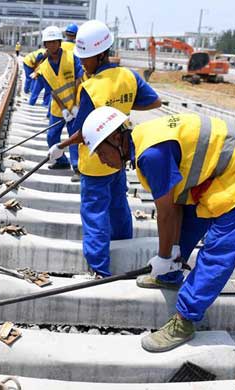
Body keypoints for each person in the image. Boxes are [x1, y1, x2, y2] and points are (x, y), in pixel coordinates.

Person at [82, 106, 235, 352]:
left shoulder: (151, 155)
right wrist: (168, 259)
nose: (101, 159)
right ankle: (171, 275)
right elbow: (176, 209)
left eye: (100, 151)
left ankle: (185, 320)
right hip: (216, 173)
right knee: (190, 219)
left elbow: (167, 213)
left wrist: (164, 256)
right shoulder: (143, 141)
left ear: (116, 138)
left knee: (219, 248)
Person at [50, 20, 161, 277]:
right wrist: (121, 111)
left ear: (100, 55)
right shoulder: (129, 76)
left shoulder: (91, 88)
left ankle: (100, 268)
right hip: (119, 157)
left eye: (85, 59)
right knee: (118, 205)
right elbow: (155, 102)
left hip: (95, 161)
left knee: (95, 213)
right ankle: (124, 250)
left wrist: (60, 146)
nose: (82, 64)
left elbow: (82, 133)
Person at [36, 25, 84, 174]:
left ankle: (77, 167)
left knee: (74, 137)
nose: (52, 45)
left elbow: (79, 80)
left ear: (60, 42)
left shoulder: (71, 57)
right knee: (51, 137)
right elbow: (52, 90)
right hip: (58, 108)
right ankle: (62, 161)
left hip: (75, 106)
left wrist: (76, 105)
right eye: (49, 43)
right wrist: (63, 109)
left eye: (55, 42)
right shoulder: (43, 68)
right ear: (45, 45)